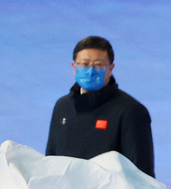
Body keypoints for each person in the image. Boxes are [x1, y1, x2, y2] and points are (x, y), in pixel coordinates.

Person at [46, 36, 155, 178]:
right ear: (74, 67)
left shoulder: (130, 111)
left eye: (98, 65)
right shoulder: (62, 107)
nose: (90, 71)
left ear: (110, 68)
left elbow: (141, 173)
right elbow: (50, 160)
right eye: (84, 65)